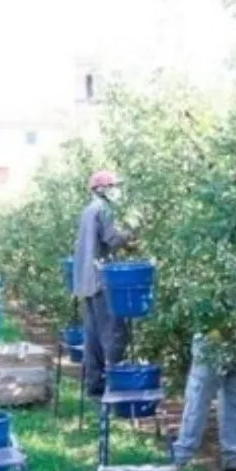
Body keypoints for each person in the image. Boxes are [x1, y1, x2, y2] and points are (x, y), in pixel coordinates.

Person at [72, 169, 132, 397]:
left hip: (85, 282)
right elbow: (112, 239)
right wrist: (132, 235)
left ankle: (94, 385)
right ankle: (117, 385)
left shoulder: (88, 210)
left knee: (92, 336)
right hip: (101, 281)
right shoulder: (104, 209)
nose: (117, 190)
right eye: (114, 186)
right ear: (103, 189)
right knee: (114, 332)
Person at [172, 332, 236, 471]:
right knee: (198, 402)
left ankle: (235, 462)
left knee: (235, 403)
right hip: (211, 341)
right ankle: (180, 460)